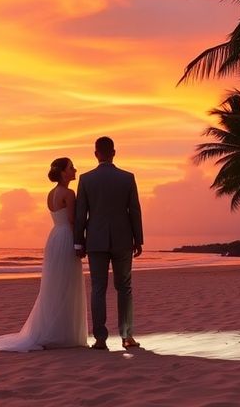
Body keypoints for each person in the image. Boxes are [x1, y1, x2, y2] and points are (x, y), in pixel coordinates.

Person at [0, 158, 88, 352]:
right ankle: (63, 333)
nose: (75, 170)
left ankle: (52, 329)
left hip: (54, 237)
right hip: (66, 237)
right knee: (67, 284)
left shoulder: (50, 194)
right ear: (63, 172)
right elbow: (72, 220)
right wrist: (81, 240)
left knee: (54, 285)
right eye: (71, 167)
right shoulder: (69, 193)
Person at [74, 137, 143, 350]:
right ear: (114, 152)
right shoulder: (127, 178)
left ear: (96, 154)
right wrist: (138, 239)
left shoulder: (86, 179)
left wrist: (78, 242)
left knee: (98, 288)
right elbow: (135, 210)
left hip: (95, 239)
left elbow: (80, 214)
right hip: (123, 239)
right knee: (124, 288)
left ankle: (100, 339)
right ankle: (126, 336)